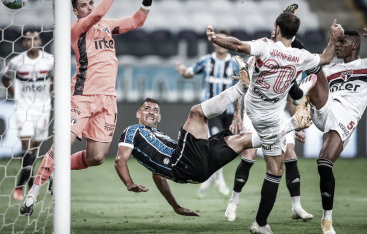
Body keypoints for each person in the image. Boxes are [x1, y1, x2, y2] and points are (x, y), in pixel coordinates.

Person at [20, 0, 154, 215]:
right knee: (63, 144)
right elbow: (99, 13)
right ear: (75, 11)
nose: (89, 8)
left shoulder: (107, 26)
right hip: (82, 96)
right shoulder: (76, 29)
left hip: (107, 99)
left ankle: (57, 171)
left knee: (96, 157)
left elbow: (136, 21)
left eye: (91, 3)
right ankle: (33, 192)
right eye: (84, 6)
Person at [206, 12, 344, 233]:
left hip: (255, 105)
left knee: (292, 102)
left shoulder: (265, 46)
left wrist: (215, 38)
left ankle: (295, 111)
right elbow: (326, 58)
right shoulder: (301, 56)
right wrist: (334, 38)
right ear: (295, 33)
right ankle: (260, 224)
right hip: (269, 118)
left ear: (277, 28)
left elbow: (237, 45)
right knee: (276, 169)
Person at [115, 82, 311, 217]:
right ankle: (240, 86)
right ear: (138, 113)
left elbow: (158, 176)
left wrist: (176, 207)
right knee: (196, 113)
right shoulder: (132, 131)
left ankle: (291, 125)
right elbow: (119, 160)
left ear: (159, 118)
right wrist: (129, 183)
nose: (152, 112)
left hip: (198, 170)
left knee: (242, 140)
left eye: (156, 110)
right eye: (147, 109)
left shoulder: (159, 138)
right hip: (182, 163)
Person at [225, 32, 313, 222]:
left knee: (290, 154)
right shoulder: (259, 56)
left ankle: (297, 206)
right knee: (249, 154)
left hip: (276, 115)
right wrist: (236, 115)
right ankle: (234, 201)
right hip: (254, 113)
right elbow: (242, 86)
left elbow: (291, 96)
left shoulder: (290, 62)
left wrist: (296, 126)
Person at [306, 29, 367, 234]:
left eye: (343, 42)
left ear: (355, 45)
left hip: (345, 116)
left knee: (324, 164)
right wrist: (331, 40)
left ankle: (327, 220)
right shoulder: (331, 68)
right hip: (325, 107)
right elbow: (321, 63)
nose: (339, 45)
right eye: (337, 42)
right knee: (314, 67)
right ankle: (288, 37)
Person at [176, 29, 239, 198]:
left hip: (229, 111)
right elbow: (190, 73)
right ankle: (218, 180)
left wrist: (239, 114)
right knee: (215, 136)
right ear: (215, 42)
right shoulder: (206, 61)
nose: (222, 43)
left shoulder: (234, 64)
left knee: (222, 144)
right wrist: (182, 70)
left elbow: (242, 88)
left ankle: (209, 179)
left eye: (226, 40)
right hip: (210, 111)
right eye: (220, 40)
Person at [2, 31, 54, 201]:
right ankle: (26, 185)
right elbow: (5, 78)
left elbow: (56, 78)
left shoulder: (49, 60)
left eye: (35, 38)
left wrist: (47, 92)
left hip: (43, 108)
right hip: (24, 108)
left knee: (34, 149)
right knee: (27, 144)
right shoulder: (16, 62)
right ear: (23, 43)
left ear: (40, 41)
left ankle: (23, 184)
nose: (32, 41)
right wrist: (16, 96)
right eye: (28, 39)